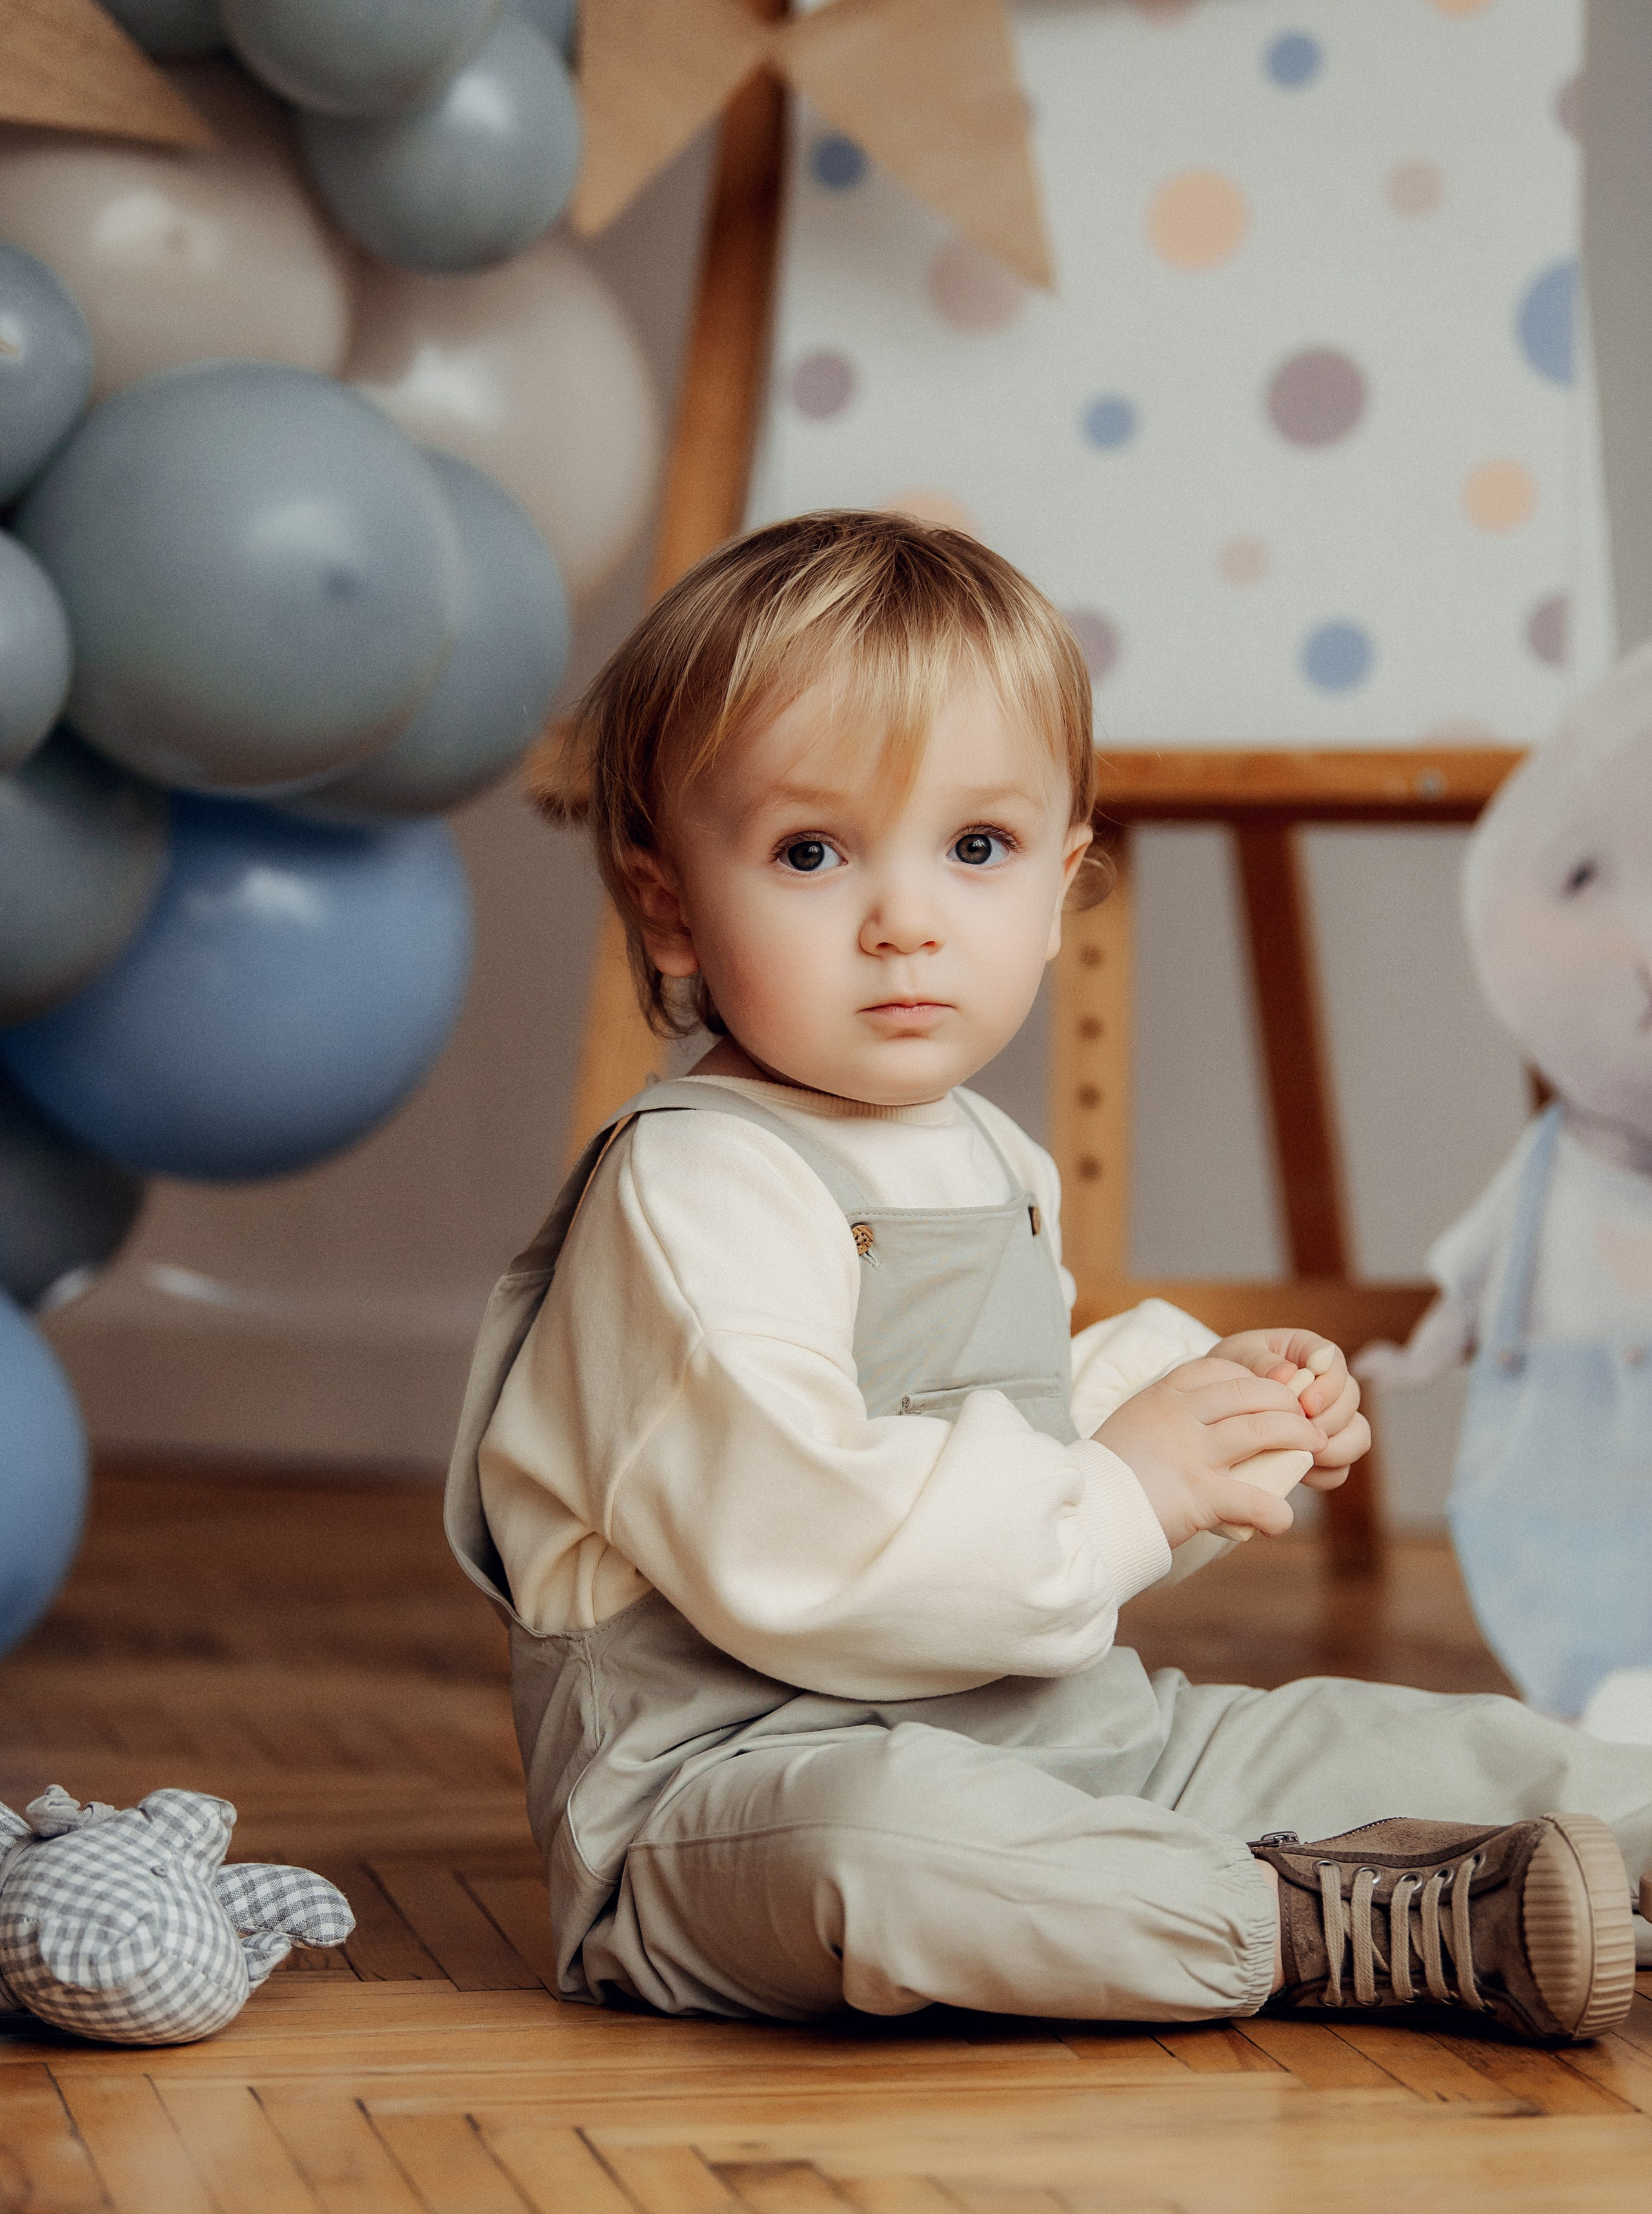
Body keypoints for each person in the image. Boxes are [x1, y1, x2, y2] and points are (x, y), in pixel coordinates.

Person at [447, 510, 1647, 2044]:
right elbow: (817, 1556)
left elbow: (1020, 1488)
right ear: (671, 902)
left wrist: (1202, 1427)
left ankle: (1585, 1840)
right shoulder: (693, 1189)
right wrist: (1131, 1482)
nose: (904, 921)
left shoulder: (984, 1156)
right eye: (810, 852)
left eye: (975, 849)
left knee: (1448, 1750)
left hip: (1061, 1740)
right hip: (737, 1793)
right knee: (893, 1851)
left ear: (1060, 880)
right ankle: (1320, 1917)